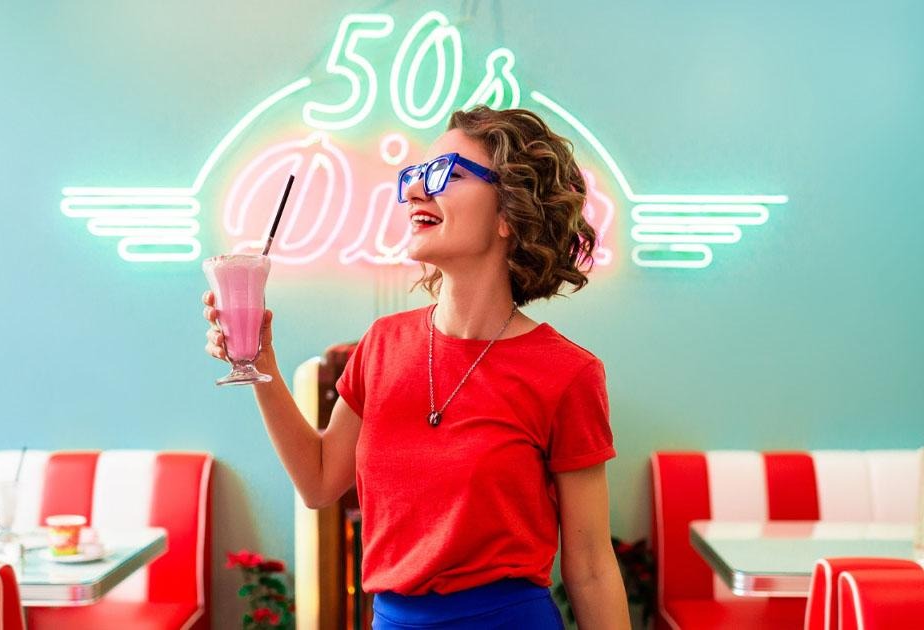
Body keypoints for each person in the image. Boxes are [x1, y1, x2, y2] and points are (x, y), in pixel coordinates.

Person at [204, 106, 629, 628]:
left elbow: (589, 567)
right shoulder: (382, 344)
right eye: (413, 177)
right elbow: (318, 482)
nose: (413, 192)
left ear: (508, 214)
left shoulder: (567, 373)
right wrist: (259, 360)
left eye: (442, 174)